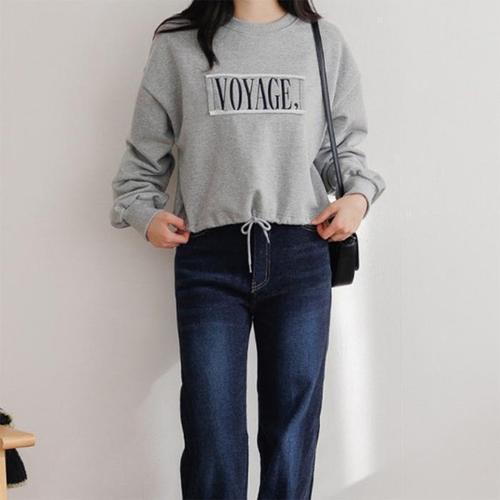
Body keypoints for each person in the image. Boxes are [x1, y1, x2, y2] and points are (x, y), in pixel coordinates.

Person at [109, 0, 386, 498]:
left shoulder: (322, 42)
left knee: (291, 433)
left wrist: (358, 198)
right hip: (209, 258)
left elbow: (342, 151)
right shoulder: (178, 44)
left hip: (301, 251)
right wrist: (144, 216)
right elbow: (139, 166)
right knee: (211, 434)